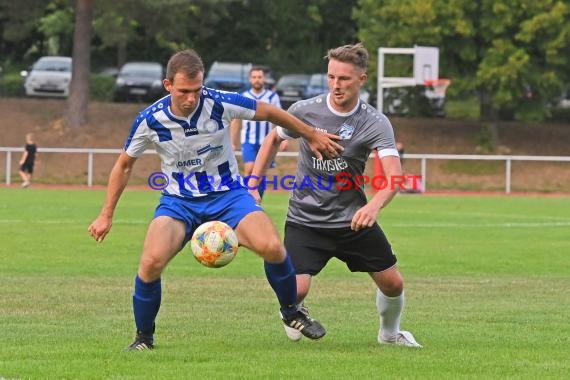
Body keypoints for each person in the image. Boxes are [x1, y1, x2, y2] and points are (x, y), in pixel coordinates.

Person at [87, 49, 343, 351]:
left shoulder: (218, 102)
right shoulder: (150, 120)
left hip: (229, 197)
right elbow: (124, 165)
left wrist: (311, 134)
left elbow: (270, 112)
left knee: (273, 247)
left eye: (197, 90)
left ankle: (291, 312)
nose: (192, 98)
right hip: (178, 203)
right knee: (150, 263)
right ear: (168, 86)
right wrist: (106, 214)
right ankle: (144, 337)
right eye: (184, 91)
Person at [249, 43, 422, 347]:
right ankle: (293, 309)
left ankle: (390, 334)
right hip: (306, 219)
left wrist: (375, 206)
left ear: (361, 80)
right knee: (294, 290)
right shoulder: (305, 110)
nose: (336, 85)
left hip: (352, 220)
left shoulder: (375, 122)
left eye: (344, 78)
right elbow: (272, 140)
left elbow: (395, 176)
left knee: (393, 284)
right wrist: (253, 185)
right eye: (331, 77)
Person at [230, 67, 287, 198]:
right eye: (254, 77)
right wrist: (232, 142)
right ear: (250, 79)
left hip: (267, 141)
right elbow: (236, 121)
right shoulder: (243, 97)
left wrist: (284, 139)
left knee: (261, 173)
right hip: (248, 140)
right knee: (250, 169)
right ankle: (246, 199)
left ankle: (257, 200)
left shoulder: (272, 97)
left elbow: (281, 118)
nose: (257, 80)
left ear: (264, 79)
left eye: (259, 77)